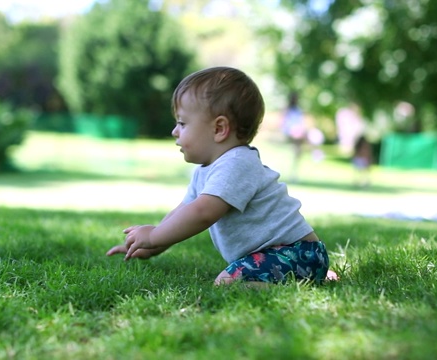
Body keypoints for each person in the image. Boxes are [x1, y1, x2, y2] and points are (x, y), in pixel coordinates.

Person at [106, 67, 337, 286]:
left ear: (219, 129)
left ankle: (308, 279)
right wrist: (153, 244)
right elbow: (183, 212)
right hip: (276, 256)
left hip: (295, 252)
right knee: (236, 275)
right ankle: (311, 277)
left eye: (182, 123)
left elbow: (203, 213)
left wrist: (155, 236)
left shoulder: (237, 163)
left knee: (228, 283)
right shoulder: (206, 170)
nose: (174, 131)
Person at [281, 92, 307, 181]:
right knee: (296, 150)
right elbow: (284, 123)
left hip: (297, 132)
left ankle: (294, 173)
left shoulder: (298, 110)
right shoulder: (288, 110)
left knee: (298, 152)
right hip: (290, 132)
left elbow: (300, 122)